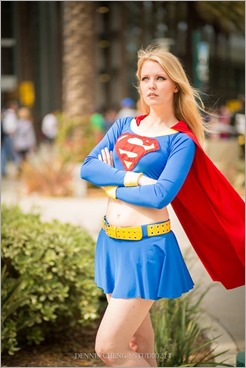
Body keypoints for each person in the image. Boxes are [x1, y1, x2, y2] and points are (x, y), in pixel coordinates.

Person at [80, 46, 244, 367]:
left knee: (109, 347)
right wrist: (133, 181)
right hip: (111, 244)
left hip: (147, 248)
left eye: (160, 78)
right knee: (138, 342)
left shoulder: (180, 141)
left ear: (175, 86)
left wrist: (110, 182)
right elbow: (87, 168)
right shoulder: (123, 125)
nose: (151, 84)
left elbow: (161, 196)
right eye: (145, 78)